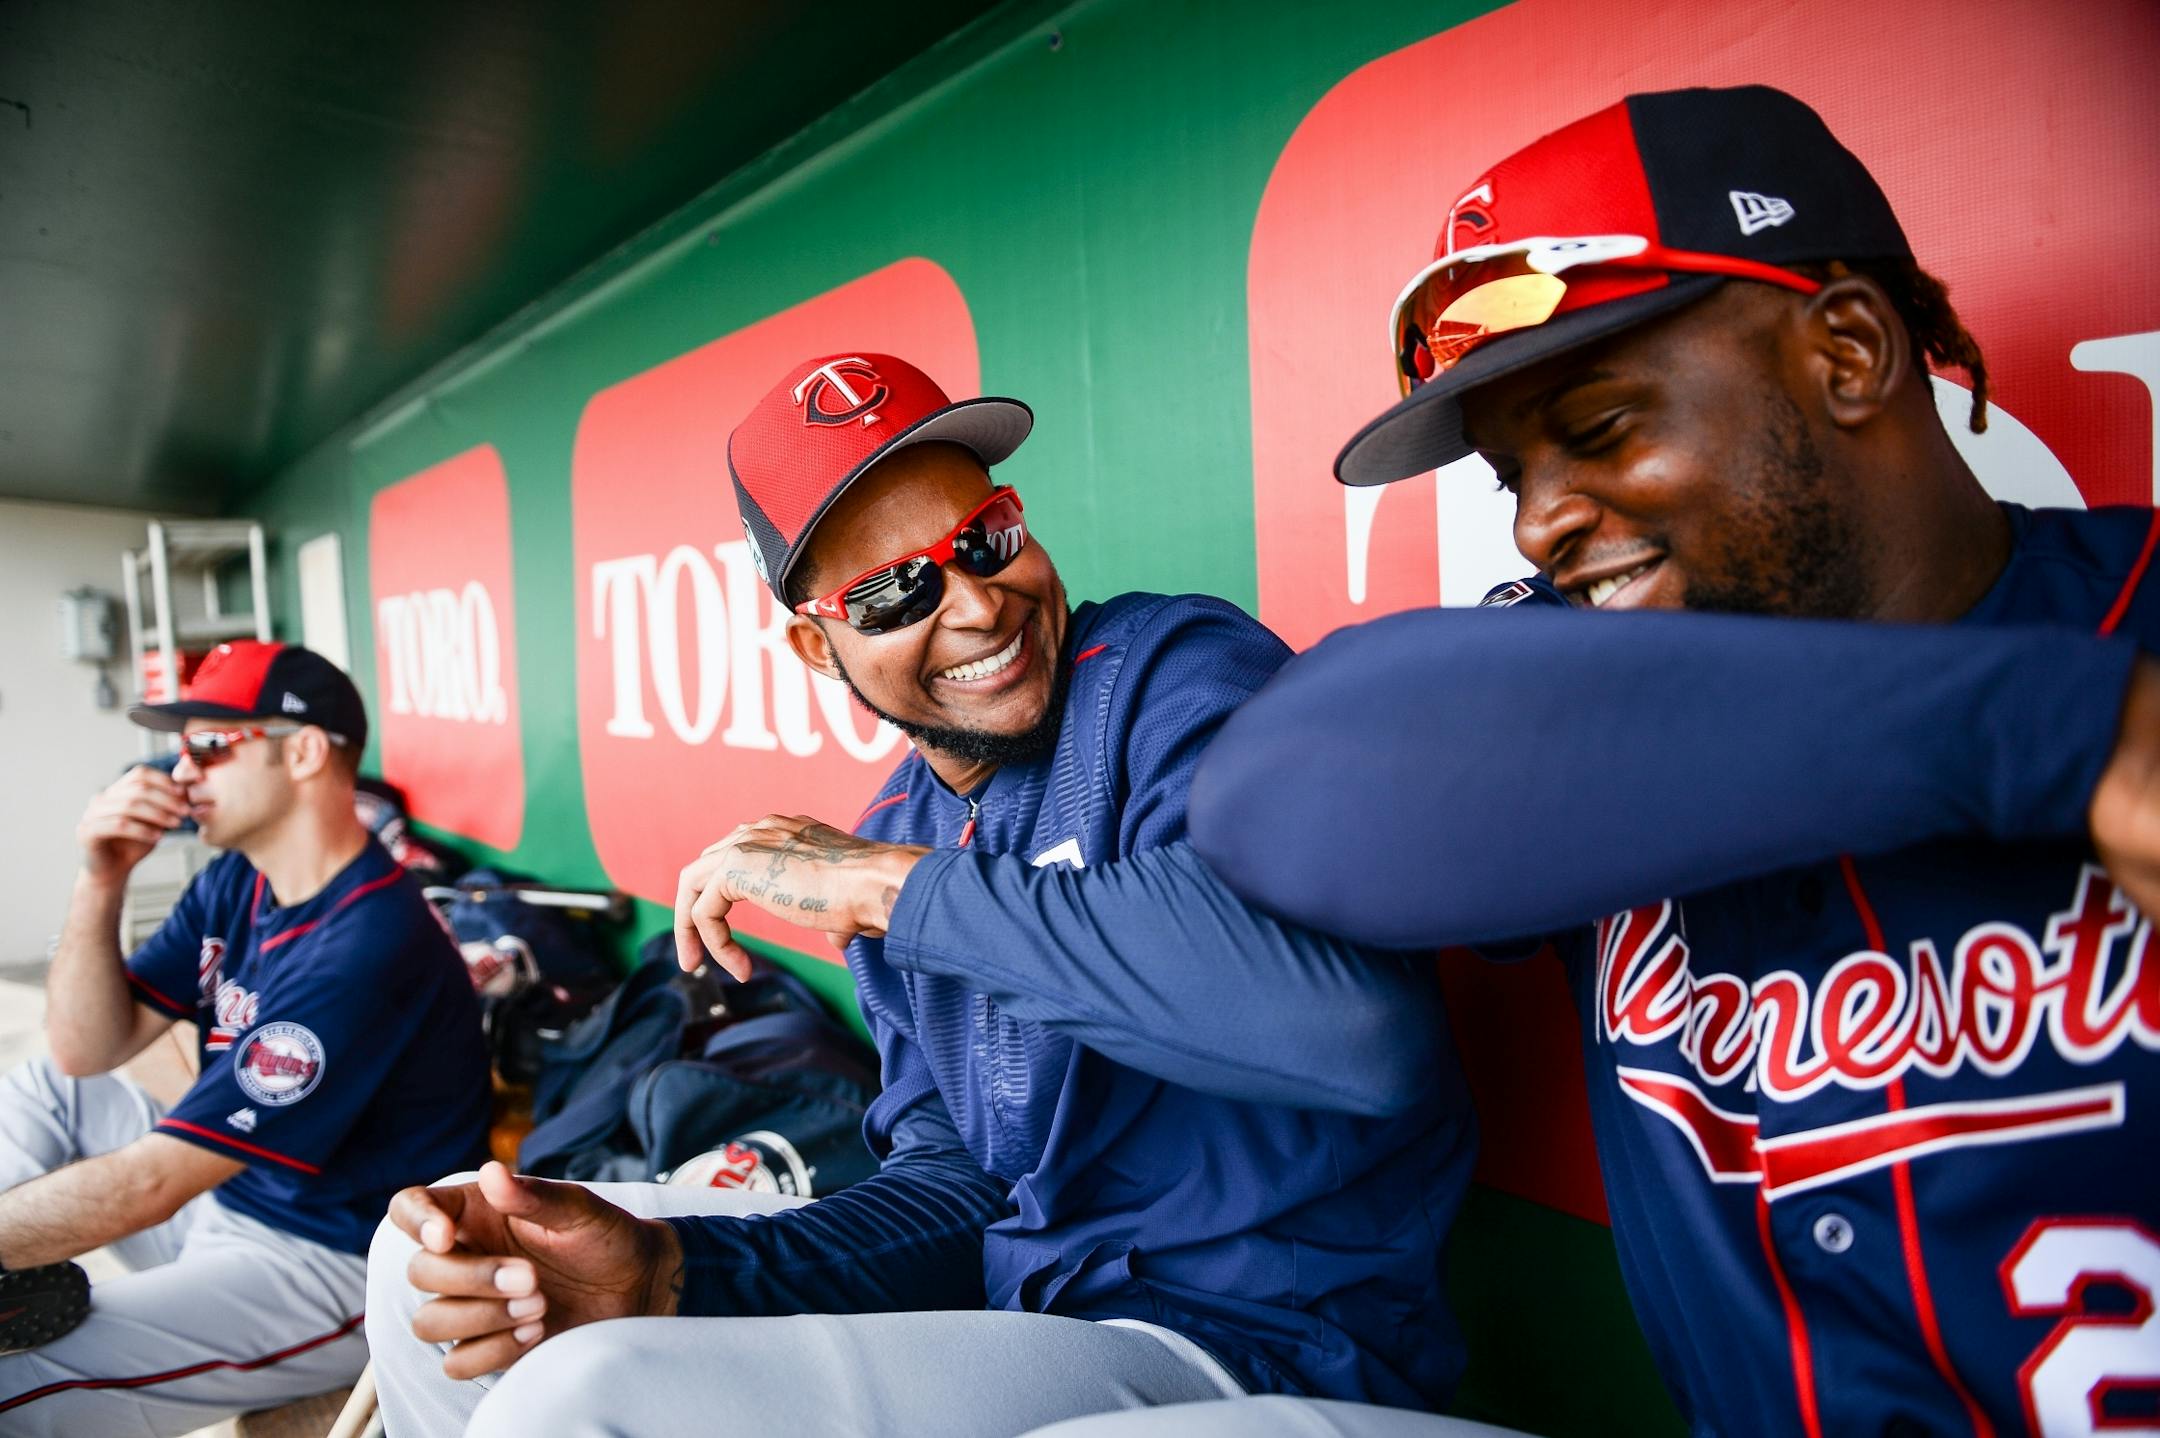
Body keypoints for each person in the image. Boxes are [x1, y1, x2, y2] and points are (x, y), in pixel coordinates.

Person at [1037, 85, 2160, 1437]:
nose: (1540, 522)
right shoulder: (1572, 709)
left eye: (1604, 423)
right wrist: (2052, 733)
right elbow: (1275, 788)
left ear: (1851, 352)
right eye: (1511, 475)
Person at [367, 353, 1485, 1437]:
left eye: (984, 540)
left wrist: (892, 890)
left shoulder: (1163, 671)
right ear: (818, 646)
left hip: (1258, 1340)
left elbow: (1355, 1035)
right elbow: (960, 1190)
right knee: (443, 1267)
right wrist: (675, 1274)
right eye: (896, 589)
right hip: (1037, 1321)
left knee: (582, 1399)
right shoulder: (899, 825)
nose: (977, 603)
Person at [0, 641, 490, 1437]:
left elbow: (148, 1185)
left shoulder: (367, 945)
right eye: (178, 747)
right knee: (51, 1090)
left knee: (18, 1379)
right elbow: (85, 1050)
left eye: (209, 746)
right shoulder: (239, 876)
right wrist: (102, 879)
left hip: (329, 1263)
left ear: (301, 752)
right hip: (228, 1199)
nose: (179, 772)